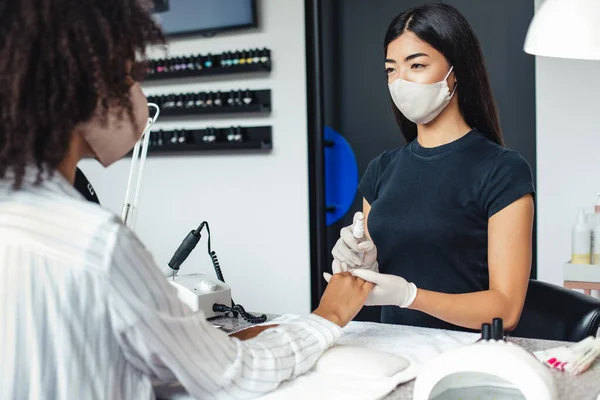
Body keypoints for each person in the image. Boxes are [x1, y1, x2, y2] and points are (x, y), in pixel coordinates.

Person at [0, 1, 373, 399]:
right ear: (85, 83)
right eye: (127, 73)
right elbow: (234, 375)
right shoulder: (96, 242)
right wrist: (328, 315)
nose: (134, 92)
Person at [329, 3, 535, 332]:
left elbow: (506, 310)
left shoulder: (503, 170)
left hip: (466, 357)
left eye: (417, 65)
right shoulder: (382, 169)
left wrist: (410, 295)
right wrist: (361, 265)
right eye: (391, 70)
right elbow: (376, 276)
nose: (400, 81)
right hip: (396, 351)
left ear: (457, 70)